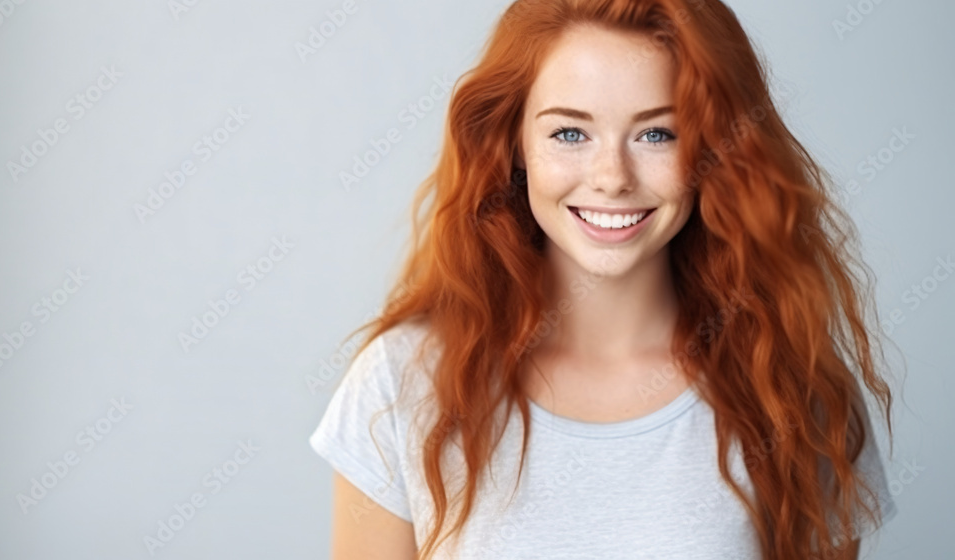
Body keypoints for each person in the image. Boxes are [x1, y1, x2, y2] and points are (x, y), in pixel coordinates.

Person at [309, 0, 900, 558]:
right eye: (570, 133)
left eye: (656, 134)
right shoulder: (397, 387)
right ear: (515, 144)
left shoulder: (793, 389)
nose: (612, 177)